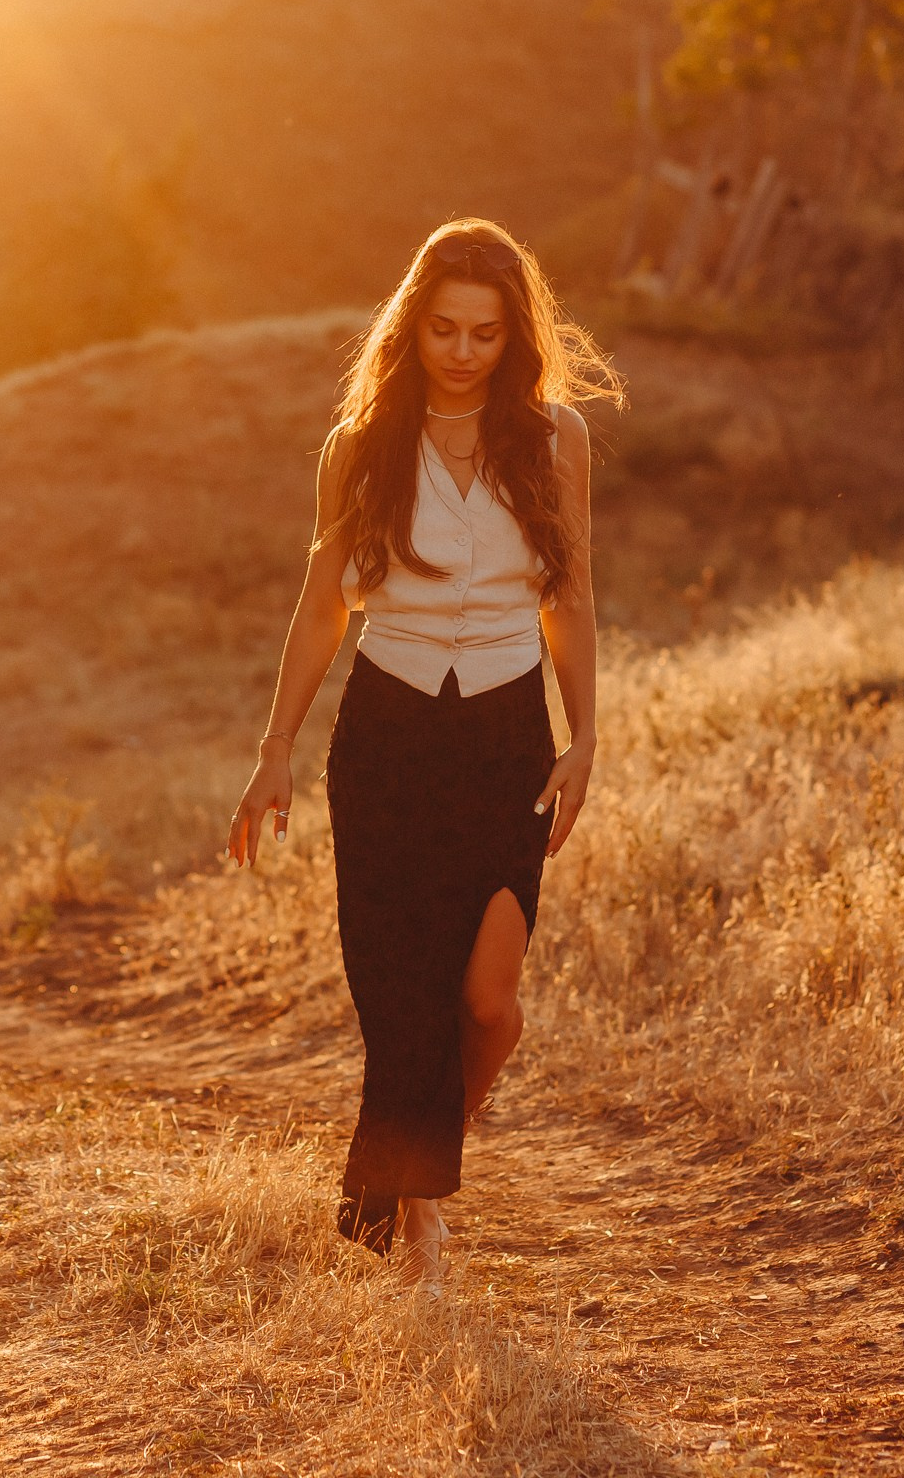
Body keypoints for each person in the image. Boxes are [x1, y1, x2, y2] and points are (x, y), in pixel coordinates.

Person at [226, 219, 618, 1287]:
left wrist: (585, 736)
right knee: (402, 1000)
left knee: (490, 1004)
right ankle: (421, 1218)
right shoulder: (360, 446)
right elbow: (323, 608)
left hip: (505, 736)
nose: (462, 351)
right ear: (413, 326)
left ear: (515, 336)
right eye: (443, 328)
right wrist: (275, 750)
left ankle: (414, 1155)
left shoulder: (556, 439)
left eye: (485, 333)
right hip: (388, 739)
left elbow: (572, 596)